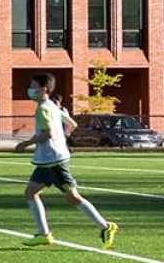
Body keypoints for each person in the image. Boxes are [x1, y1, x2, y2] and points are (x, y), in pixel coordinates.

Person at [22, 74, 118, 250]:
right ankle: (44, 235)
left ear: (44, 89)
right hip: (47, 160)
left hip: (54, 160)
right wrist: (63, 138)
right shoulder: (53, 106)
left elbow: (47, 134)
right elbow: (72, 124)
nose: (30, 89)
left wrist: (26, 143)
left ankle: (105, 227)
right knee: (31, 192)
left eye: (33, 86)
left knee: (72, 196)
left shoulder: (43, 109)